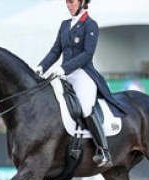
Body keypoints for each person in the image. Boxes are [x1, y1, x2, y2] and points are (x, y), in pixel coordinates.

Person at [34, 0, 128, 167]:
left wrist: (63, 68)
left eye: (72, 2)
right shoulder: (64, 25)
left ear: (83, 2)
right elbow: (56, 50)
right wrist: (41, 67)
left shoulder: (90, 25)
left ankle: (103, 150)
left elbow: (87, 54)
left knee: (85, 108)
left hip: (82, 74)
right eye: (67, 2)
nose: (69, 6)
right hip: (64, 74)